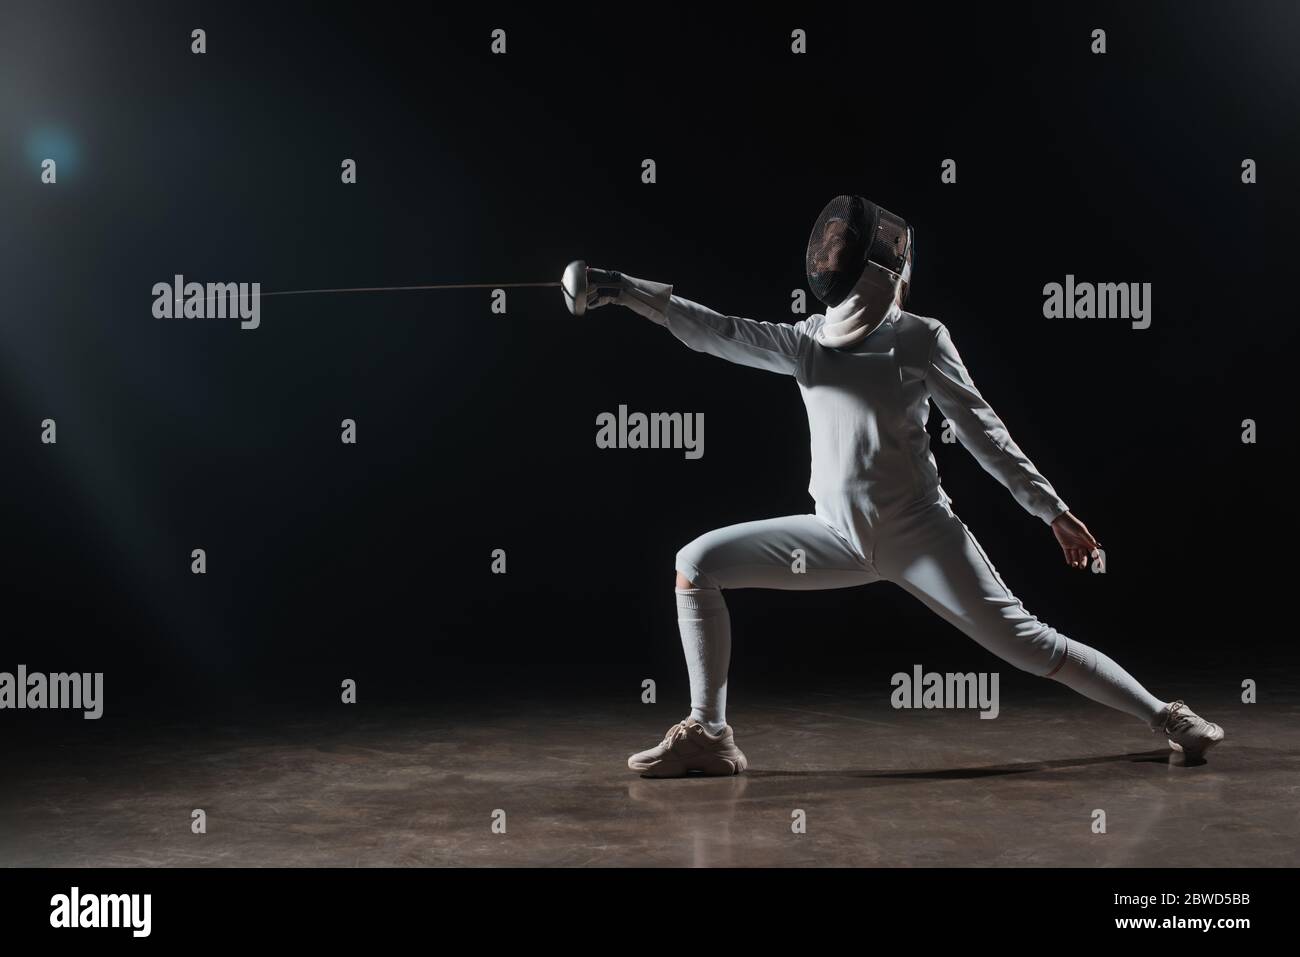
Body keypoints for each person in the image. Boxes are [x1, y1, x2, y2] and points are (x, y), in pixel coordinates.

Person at [584, 196, 1224, 777]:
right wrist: (620, 289)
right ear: (883, 273)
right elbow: (716, 331)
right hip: (832, 538)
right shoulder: (807, 343)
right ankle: (711, 735)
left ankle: (1167, 717)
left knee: (1033, 646)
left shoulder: (919, 338)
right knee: (695, 563)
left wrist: (1051, 511)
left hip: (922, 537)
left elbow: (983, 432)